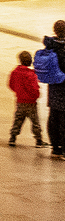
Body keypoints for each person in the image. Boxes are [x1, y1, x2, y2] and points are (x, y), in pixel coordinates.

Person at [9, 49, 46, 146]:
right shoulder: (31, 74)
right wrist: (36, 96)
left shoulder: (15, 72)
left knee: (18, 120)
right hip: (31, 103)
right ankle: (38, 140)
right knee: (35, 122)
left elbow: (11, 84)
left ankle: (12, 137)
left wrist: (18, 92)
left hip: (20, 101)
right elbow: (34, 88)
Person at [44, 19, 65, 158]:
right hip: (64, 87)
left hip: (53, 87)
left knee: (53, 117)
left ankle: (55, 146)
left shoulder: (50, 45)